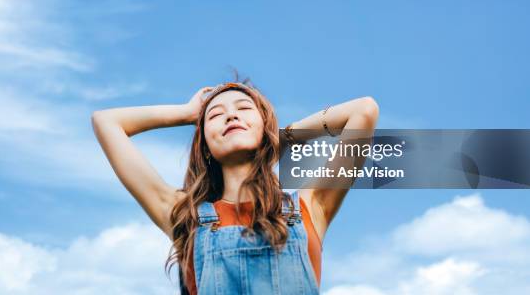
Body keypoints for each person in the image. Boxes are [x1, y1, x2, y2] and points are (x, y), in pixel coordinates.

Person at [91, 78, 379, 294]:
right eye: (215, 115)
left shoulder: (309, 208)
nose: (231, 115)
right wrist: (186, 112)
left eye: (243, 109)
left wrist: (283, 139)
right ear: (205, 146)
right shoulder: (184, 217)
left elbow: (363, 111)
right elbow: (106, 122)